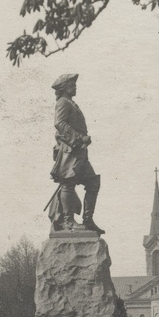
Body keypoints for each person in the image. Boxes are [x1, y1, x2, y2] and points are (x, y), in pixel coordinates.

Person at [48, 73, 105, 234]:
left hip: (79, 152)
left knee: (93, 182)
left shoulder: (71, 103)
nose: (75, 87)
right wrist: (79, 138)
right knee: (68, 183)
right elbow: (59, 123)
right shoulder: (63, 103)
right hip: (70, 151)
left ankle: (87, 220)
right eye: (72, 84)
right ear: (64, 87)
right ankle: (68, 221)